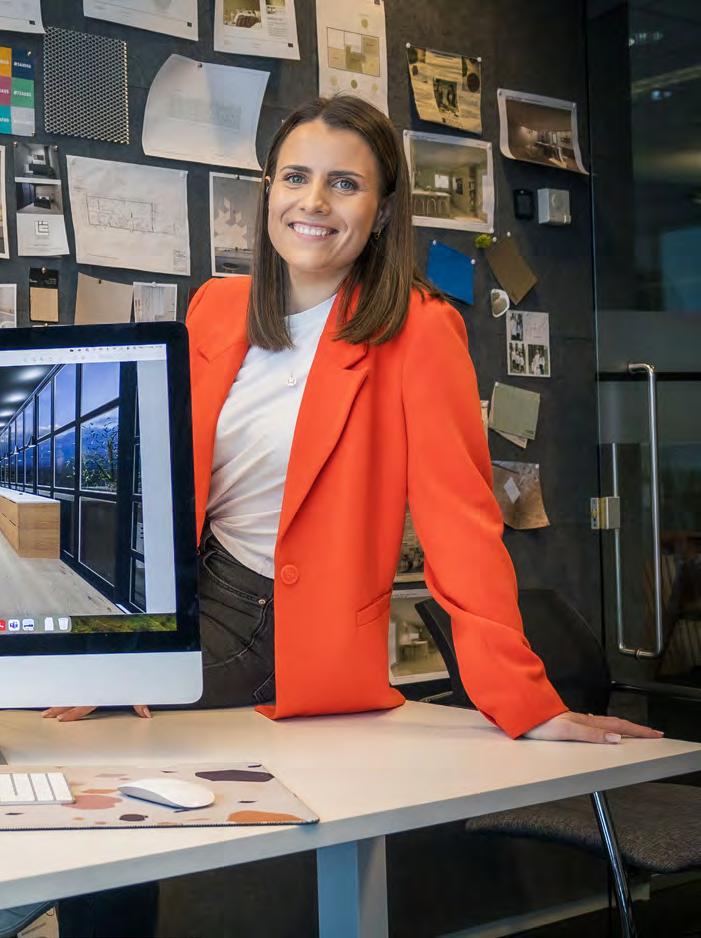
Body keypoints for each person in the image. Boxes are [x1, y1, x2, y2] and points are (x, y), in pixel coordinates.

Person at [46, 95, 661, 741]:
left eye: (343, 183)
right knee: (26, 681)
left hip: (273, 622)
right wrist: (126, 622)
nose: (313, 202)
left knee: (75, 723)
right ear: (268, 190)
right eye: (295, 177)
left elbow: (461, 524)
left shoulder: (420, 330)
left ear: (383, 210)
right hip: (178, 589)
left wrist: (527, 704)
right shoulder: (217, 306)